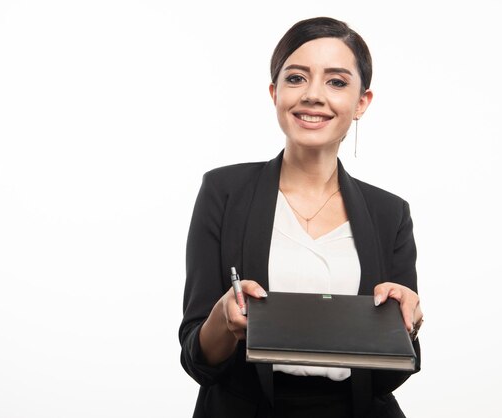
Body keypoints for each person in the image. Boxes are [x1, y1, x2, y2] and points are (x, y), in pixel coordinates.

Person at [179, 16, 423, 418]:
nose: (313, 95)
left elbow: (390, 376)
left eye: (337, 82)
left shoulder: (390, 213)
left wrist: (407, 326)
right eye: (296, 78)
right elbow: (196, 359)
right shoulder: (223, 192)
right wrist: (223, 319)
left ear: (362, 102)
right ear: (275, 93)